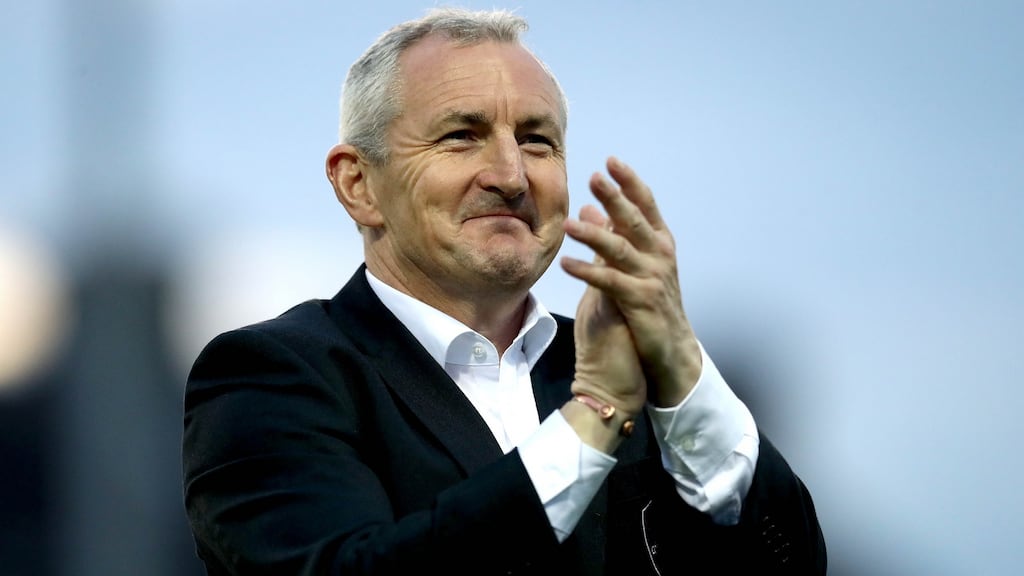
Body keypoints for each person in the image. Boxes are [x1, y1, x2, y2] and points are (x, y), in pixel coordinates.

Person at [182, 7, 826, 575]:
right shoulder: (274, 376)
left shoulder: (642, 381)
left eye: (536, 140)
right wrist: (591, 423)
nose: (511, 176)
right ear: (358, 184)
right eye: (461, 135)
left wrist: (682, 369)